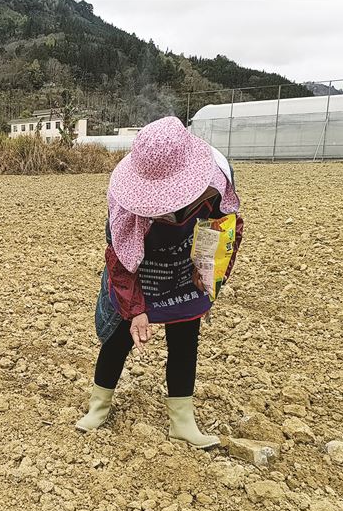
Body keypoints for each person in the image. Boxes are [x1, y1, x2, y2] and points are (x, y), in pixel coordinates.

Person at [76, 116, 244, 449]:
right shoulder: (125, 201)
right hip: (140, 267)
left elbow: (226, 227)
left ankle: (182, 423)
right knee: (119, 337)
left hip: (184, 263)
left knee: (185, 337)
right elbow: (120, 259)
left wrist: (208, 269)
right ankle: (99, 406)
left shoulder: (216, 179)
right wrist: (136, 310)